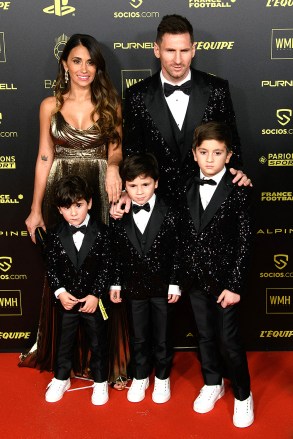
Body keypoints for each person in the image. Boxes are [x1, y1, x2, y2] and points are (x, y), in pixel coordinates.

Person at [20, 34, 128, 385]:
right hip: (61, 189)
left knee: (101, 264)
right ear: (65, 64)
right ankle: (64, 358)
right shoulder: (48, 106)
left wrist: (112, 167)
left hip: (98, 187)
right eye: (77, 61)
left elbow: (116, 151)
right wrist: (36, 208)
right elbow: (44, 157)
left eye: (90, 62)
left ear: (98, 67)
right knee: (65, 265)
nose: (84, 69)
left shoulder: (111, 102)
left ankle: (104, 360)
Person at [111, 14, 249, 219]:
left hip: (206, 205)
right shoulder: (136, 95)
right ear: (157, 50)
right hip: (156, 205)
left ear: (193, 50)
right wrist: (128, 189)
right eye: (170, 50)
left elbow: (231, 142)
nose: (177, 59)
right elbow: (133, 151)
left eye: (184, 50)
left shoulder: (217, 89)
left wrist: (237, 171)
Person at [179, 121, 254, 428]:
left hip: (225, 283)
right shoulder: (184, 185)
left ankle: (243, 395)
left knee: (229, 340)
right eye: (204, 152)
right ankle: (212, 383)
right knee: (205, 335)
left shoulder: (240, 189)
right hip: (195, 279)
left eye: (218, 152)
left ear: (229, 155)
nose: (210, 159)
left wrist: (235, 284)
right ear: (195, 154)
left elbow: (245, 241)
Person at [109, 153, 180, 404]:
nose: (139, 192)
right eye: (133, 186)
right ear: (125, 187)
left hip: (163, 287)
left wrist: (175, 282)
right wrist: (116, 282)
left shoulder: (170, 211)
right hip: (133, 287)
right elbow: (115, 252)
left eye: (145, 184)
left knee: (162, 336)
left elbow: (178, 251)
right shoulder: (119, 213)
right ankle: (140, 376)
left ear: (156, 182)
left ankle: (162, 377)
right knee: (138, 336)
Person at [44, 175, 111, 405]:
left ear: (90, 203)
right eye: (67, 207)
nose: (73, 213)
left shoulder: (103, 232)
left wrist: (96, 294)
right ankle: (62, 378)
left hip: (93, 301)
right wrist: (60, 292)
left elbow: (107, 267)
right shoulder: (53, 234)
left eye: (79, 205)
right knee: (64, 341)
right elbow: (51, 267)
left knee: (98, 341)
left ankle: (101, 381)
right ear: (59, 209)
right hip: (67, 301)